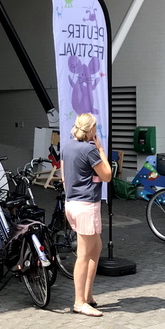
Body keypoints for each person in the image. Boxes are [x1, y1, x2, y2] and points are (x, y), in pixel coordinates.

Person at [61, 112, 112, 317]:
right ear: (91, 130)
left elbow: (64, 177)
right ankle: (79, 301)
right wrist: (100, 150)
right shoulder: (90, 150)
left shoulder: (67, 147)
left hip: (72, 203)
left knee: (96, 248)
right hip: (86, 205)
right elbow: (107, 175)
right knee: (83, 255)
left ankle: (88, 295)